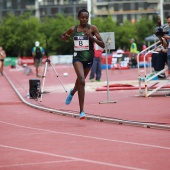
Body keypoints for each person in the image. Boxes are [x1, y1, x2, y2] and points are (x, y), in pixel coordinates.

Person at [60, 9, 105, 119]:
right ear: (78, 18)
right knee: (82, 80)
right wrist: (65, 38)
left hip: (89, 58)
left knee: (80, 81)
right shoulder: (73, 29)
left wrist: (91, 37)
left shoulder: (92, 28)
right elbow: (63, 37)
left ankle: (72, 92)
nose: (84, 19)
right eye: (82, 17)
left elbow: (103, 44)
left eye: (86, 17)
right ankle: (81, 111)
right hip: (77, 58)